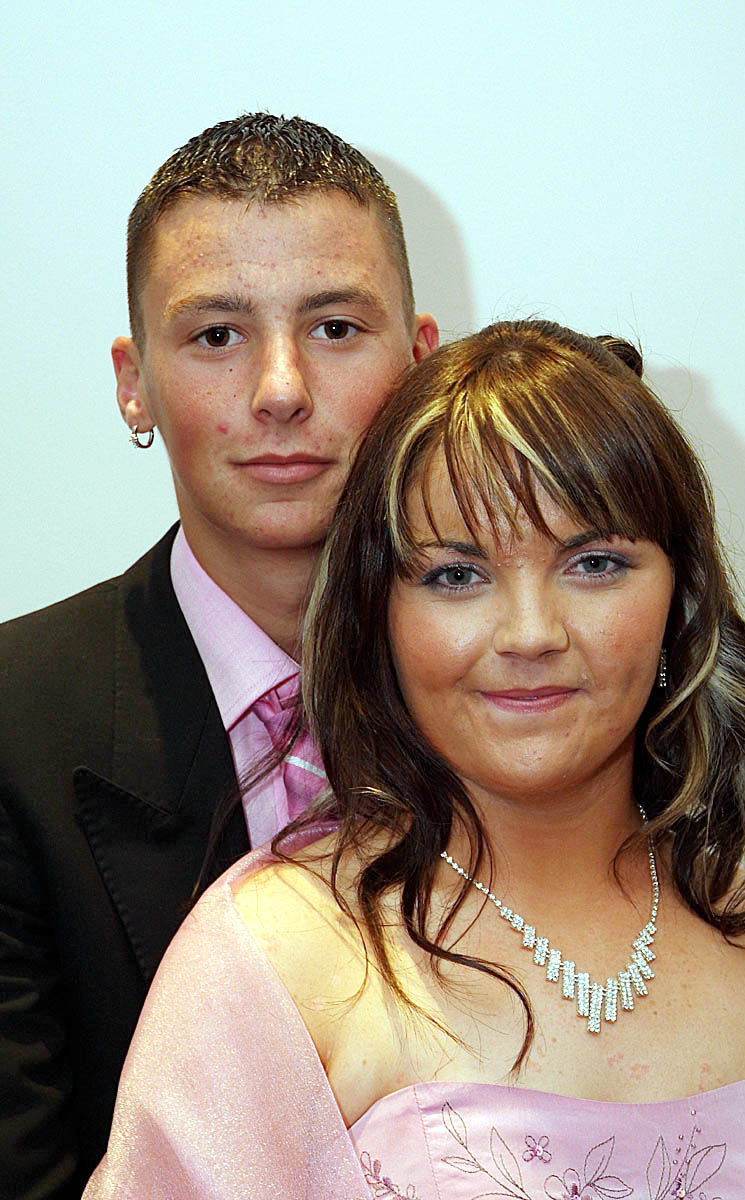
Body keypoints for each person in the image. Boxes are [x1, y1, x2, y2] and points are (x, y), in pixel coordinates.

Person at [85, 320, 745, 1199]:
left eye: (595, 563)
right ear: (379, 617)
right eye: (457, 575)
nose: (531, 634)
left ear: (680, 599)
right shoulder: (273, 956)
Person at [0, 113, 438, 1199]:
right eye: (215, 336)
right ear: (133, 380)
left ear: (421, 362)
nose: (281, 388)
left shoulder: (539, 685)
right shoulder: (13, 724)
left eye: (335, 327)